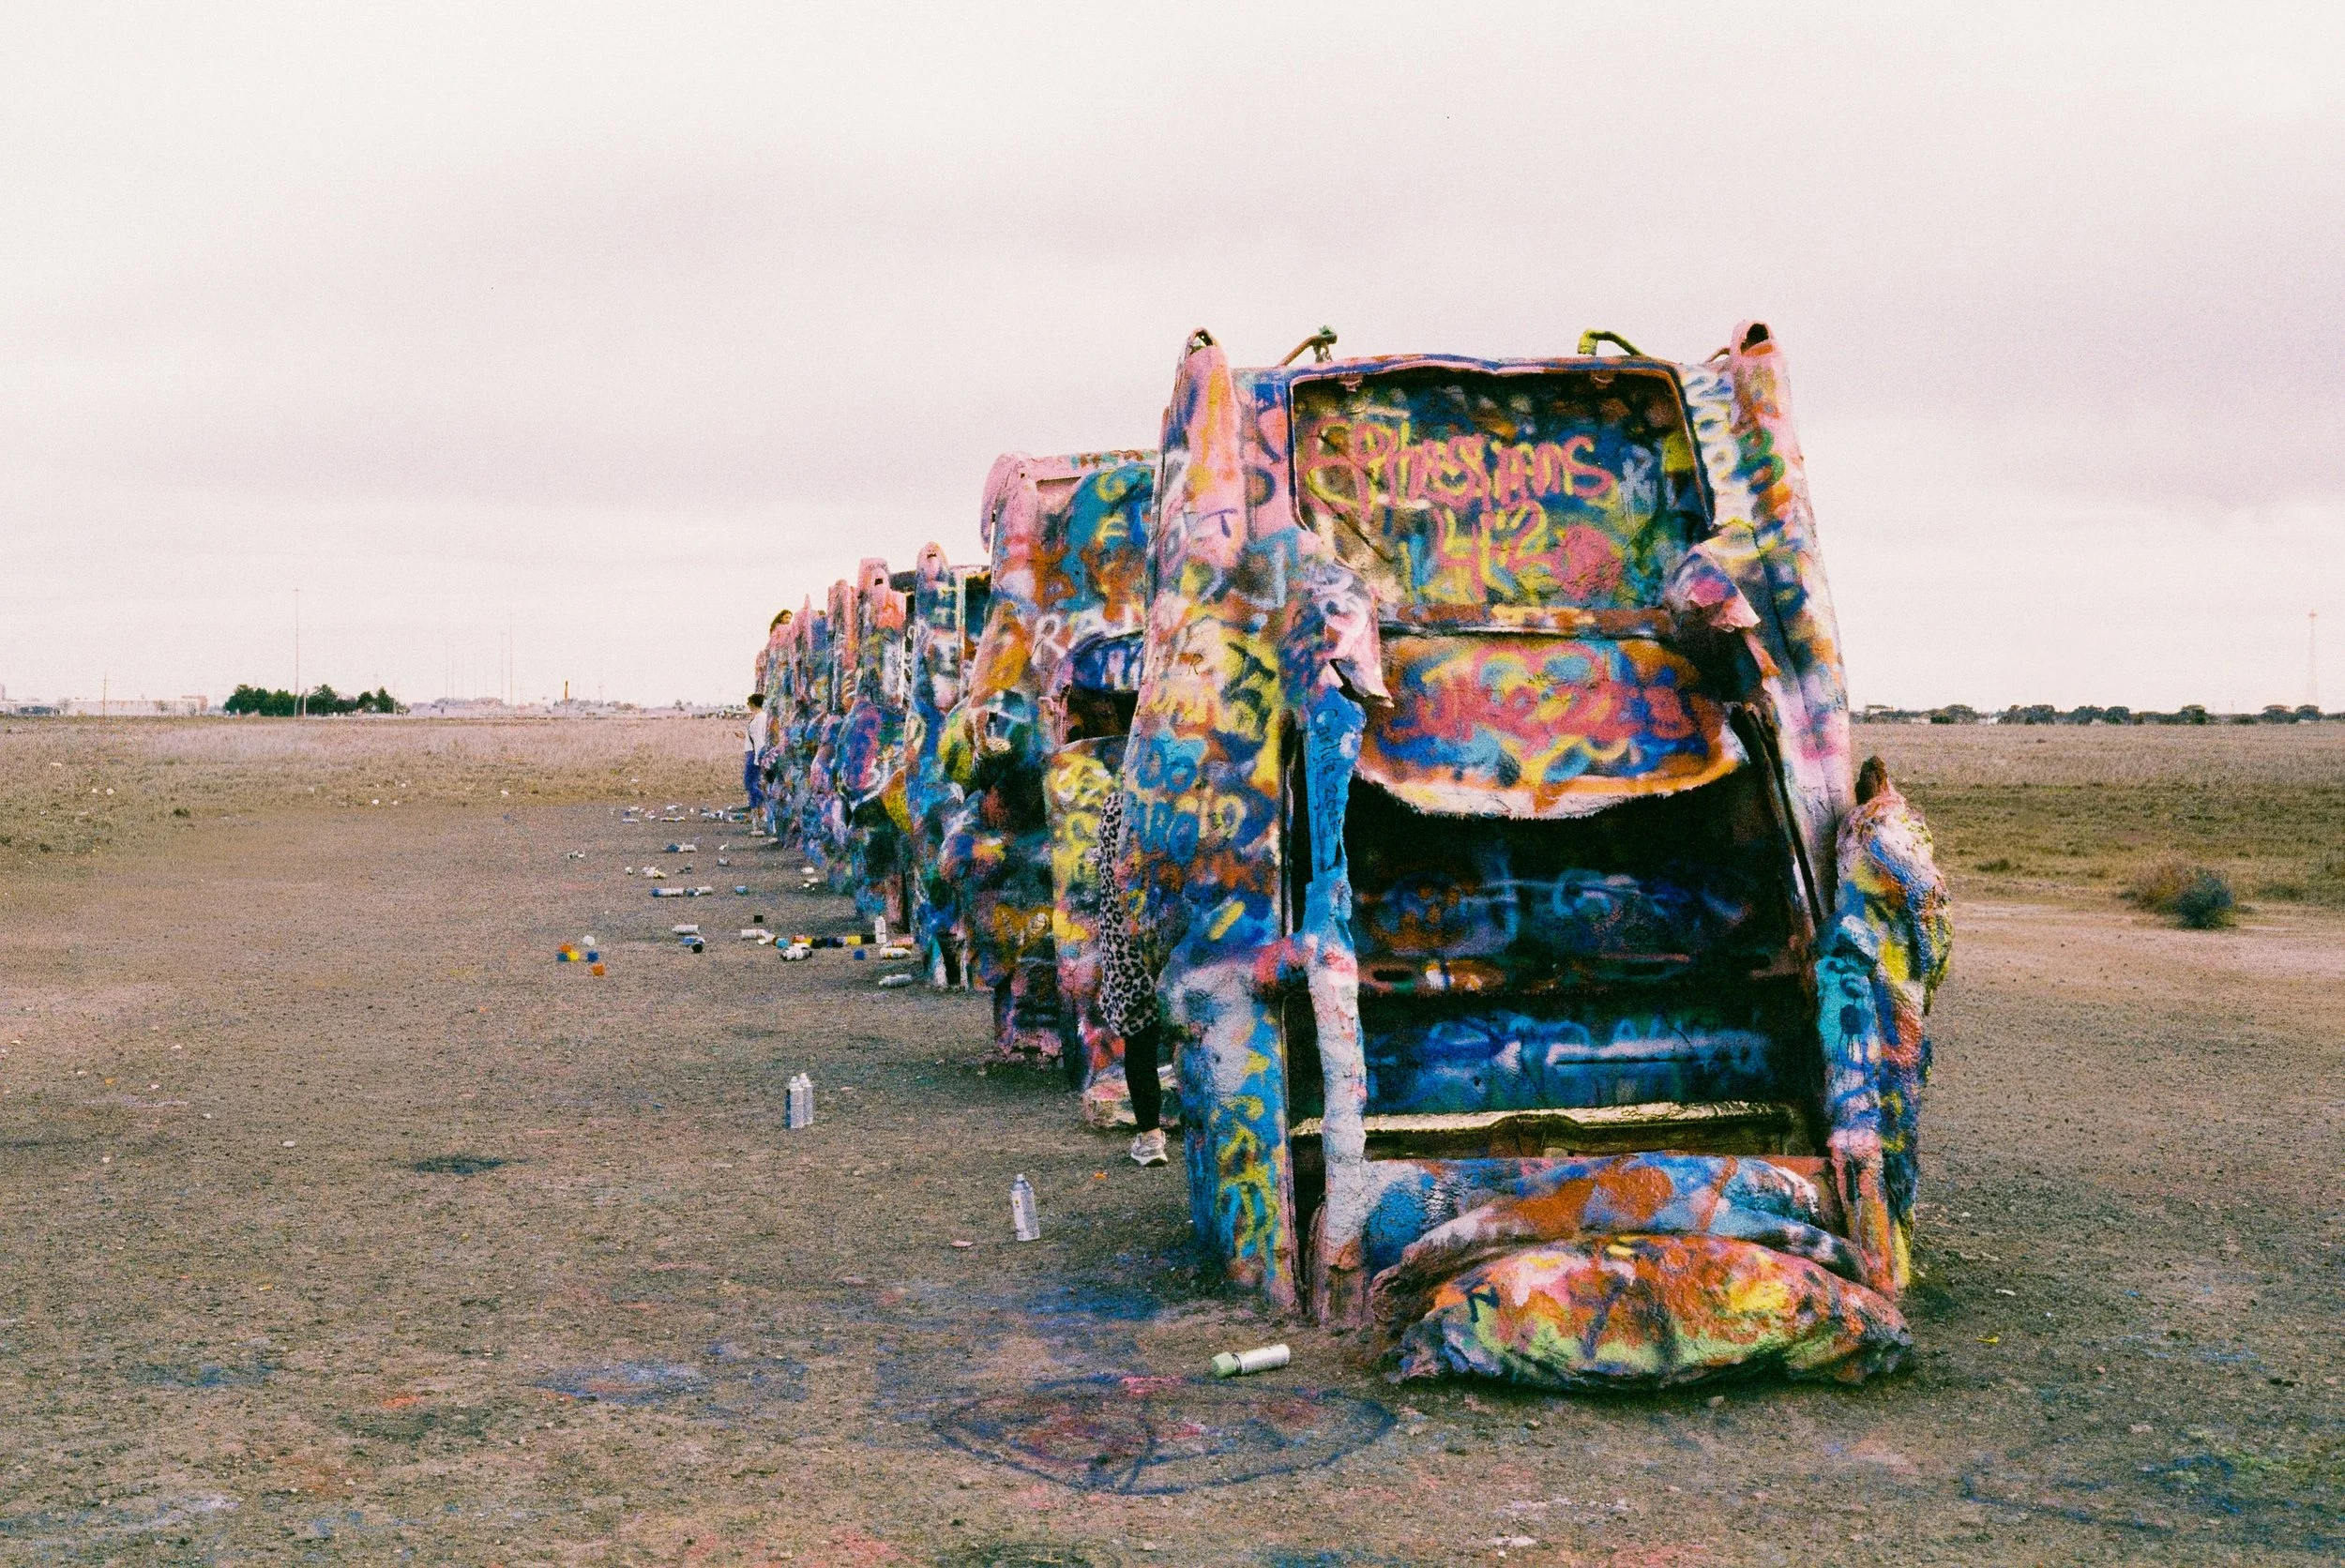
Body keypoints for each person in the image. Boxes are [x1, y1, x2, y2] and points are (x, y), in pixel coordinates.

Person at [1088, 787, 1166, 1166]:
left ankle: (1151, 1138)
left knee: (1140, 1040)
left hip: (1126, 938)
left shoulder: (1118, 804)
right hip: (1171, 931)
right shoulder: (1171, 799)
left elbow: (1108, 876)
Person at [742, 693, 770, 815]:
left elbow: (759, 738)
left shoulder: (760, 718)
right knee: (753, 783)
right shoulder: (759, 717)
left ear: (753, 703)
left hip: (754, 754)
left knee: (749, 783)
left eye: (749, 703)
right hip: (752, 752)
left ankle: (768, 801)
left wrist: (758, 758)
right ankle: (755, 812)